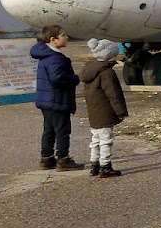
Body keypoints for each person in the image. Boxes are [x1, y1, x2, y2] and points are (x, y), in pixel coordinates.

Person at [31, 25, 84, 171]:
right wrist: (74, 79)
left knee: (49, 129)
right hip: (57, 99)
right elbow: (57, 77)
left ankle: (46, 158)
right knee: (62, 130)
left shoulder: (44, 54)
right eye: (63, 35)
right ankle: (63, 159)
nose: (67, 38)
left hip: (46, 99)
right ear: (53, 40)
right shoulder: (56, 58)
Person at [81, 39, 129, 178]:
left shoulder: (89, 70)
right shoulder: (106, 73)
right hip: (105, 111)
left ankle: (94, 165)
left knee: (95, 138)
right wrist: (121, 112)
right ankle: (105, 166)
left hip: (93, 111)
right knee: (106, 139)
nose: (116, 56)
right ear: (109, 55)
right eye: (114, 54)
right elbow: (113, 94)